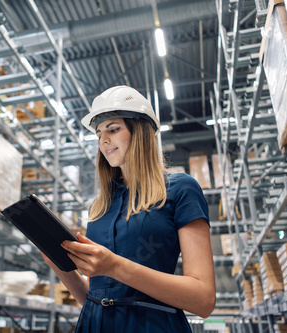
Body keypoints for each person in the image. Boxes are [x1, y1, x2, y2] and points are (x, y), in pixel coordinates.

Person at [41, 86, 216, 332]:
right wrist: (60, 264)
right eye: (99, 133)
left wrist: (113, 266)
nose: (103, 140)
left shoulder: (180, 190)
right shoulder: (100, 207)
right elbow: (97, 299)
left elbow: (204, 300)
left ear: (141, 132)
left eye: (113, 129)